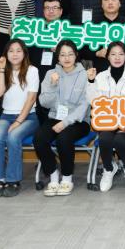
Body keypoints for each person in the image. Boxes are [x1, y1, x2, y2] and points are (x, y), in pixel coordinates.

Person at [86, 41, 125, 192]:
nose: (117, 57)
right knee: (104, 138)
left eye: (121, 54)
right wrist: (91, 81)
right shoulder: (100, 76)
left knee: (119, 140)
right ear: (107, 56)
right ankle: (109, 169)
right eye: (113, 54)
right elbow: (93, 101)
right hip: (108, 122)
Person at [34, 40, 90, 196]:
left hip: (79, 121)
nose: (67, 58)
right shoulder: (50, 74)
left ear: (76, 55)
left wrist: (65, 123)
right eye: (63, 55)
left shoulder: (85, 75)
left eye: (70, 54)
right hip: (54, 117)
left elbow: (84, 105)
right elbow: (44, 103)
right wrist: (53, 85)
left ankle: (67, 178)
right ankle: (53, 175)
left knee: (63, 138)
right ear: (57, 57)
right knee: (39, 139)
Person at [0, 39, 40, 197]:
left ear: (24, 53)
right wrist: (1, 69)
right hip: (6, 115)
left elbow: (31, 99)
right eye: (11, 51)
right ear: (6, 54)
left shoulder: (32, 70)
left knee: (13, 137)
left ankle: (13, 180)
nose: (15, 54)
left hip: (28, 117)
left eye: (18, 51)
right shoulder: (3, 71)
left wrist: (18, 122)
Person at [27, 0, 62, 124]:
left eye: (54, 8)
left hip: (59, 75)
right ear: (43, 11)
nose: (51, 11)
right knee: (38, 107)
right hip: (37, 73)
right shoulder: (34, 29)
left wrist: (60, 51)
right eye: (47, 8)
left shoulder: (69, 30)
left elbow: (76, 57)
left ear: (61, 11)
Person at [87, 0, 125, 73]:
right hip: (100, 71)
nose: (110, 3)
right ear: (101, 4)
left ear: (120, 3)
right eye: (106, 0)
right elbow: (83, 50)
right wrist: (97, 53)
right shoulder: (93, 24)